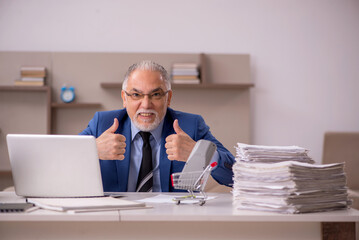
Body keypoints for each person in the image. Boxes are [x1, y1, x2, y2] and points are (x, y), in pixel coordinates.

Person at [80, 60, 235, 192]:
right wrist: (91, 150)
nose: (146, 104)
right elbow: (58, 160)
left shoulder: (190, 126)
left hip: (172, 220)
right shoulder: (102, 124)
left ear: (168, 98)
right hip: (116, 219)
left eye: (156, 94)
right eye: (136, 95)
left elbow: (235, 176)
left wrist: (200, 153)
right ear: (124, 98)